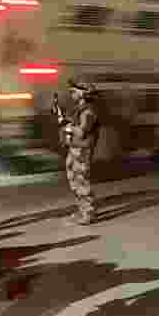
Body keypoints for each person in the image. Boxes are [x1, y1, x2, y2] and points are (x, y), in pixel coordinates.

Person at [63, 79, 101, 225]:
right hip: (75, 148)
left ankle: (88, 212)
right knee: (74, 180)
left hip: (82, 150)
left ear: (84, 93)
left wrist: (68, 128)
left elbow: (82, 132)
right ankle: (82, 209)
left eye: (74, 91)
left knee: (82, 180)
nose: (71, 94)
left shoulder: (88, 111)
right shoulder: (80, 108)